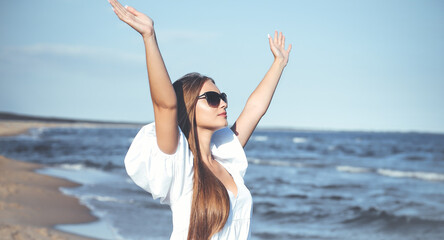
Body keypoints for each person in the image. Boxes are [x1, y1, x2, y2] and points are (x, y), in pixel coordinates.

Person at [108, 0, 292, 239]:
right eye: (213, 98)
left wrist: (279, 63)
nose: (223, 103)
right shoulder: (180, 163)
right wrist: (149, 37)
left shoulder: (226, 158)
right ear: (189, 107)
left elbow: (255, 109)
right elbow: (165, 105)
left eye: (223, 96)